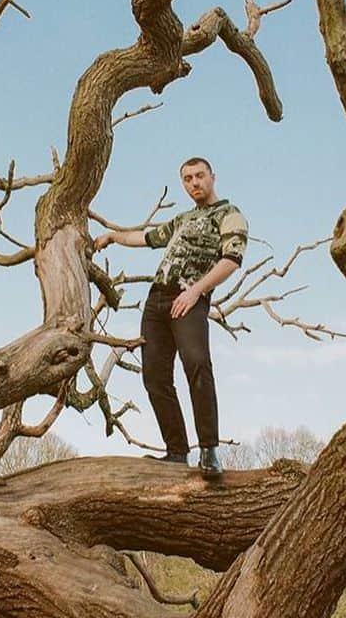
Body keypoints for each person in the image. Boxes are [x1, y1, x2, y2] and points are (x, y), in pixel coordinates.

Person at [93, 157, 247, 476]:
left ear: (212, 177)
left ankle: (208, 451)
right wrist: (111, 236)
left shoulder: (229, 215)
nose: (194, 183)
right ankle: (177, 452)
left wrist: (195, 292)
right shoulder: (182, 219)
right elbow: (146, 239)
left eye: (199, 176)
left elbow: (232, 260)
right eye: (188, 178)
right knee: (154, 377)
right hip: (156, 302)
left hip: (189, 299)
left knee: (197, 364)